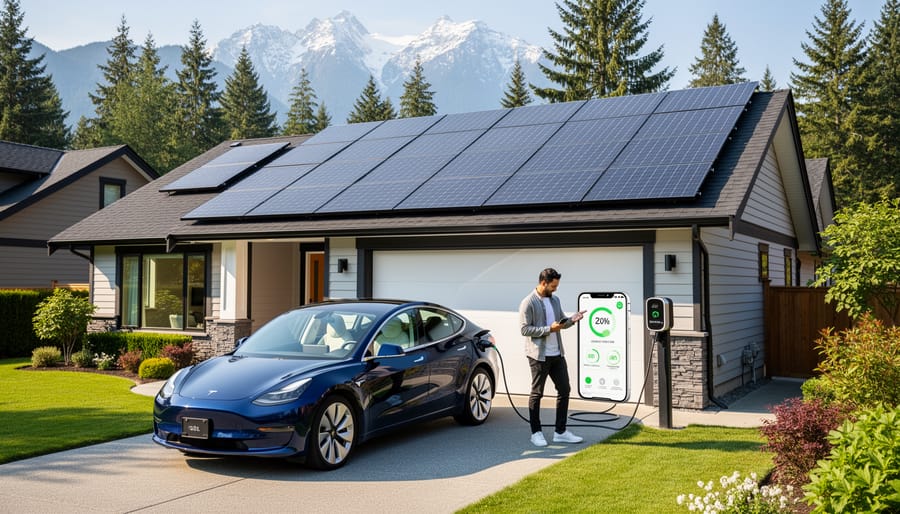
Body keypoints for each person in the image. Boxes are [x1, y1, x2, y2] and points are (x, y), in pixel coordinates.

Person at [519, 267, 586, 447]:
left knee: (564, 390)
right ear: (543, 283)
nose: (556, 289)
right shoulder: (528, 302)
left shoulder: (555, 300)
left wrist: (573, 320)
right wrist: (549, 329)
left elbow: (561, 323)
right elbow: (524, 329)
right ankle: (536, 433)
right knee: (537, 394)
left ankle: (561, 432)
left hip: (557, 353)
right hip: (539, 356)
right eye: (553, 286)